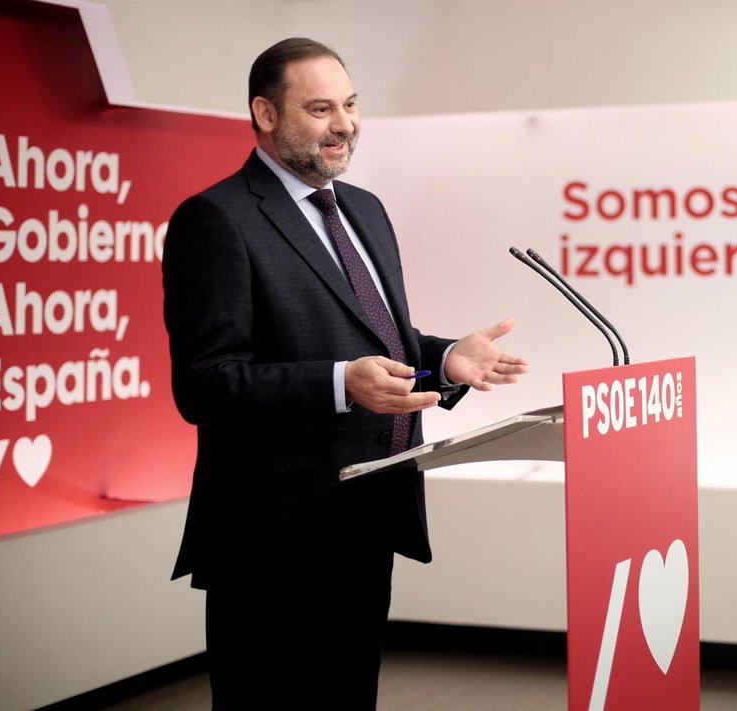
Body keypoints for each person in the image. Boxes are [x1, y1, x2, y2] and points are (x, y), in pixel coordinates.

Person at [161, 37, 527, 709]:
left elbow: (374, 342)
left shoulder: (365, 209)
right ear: (266, 114)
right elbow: (205, 382)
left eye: (351, 105)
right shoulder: (216, 219)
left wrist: (444, 358)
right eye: (321, 109)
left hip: (366, 517)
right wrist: (337, 384)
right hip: (272, 537)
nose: (345, 125)